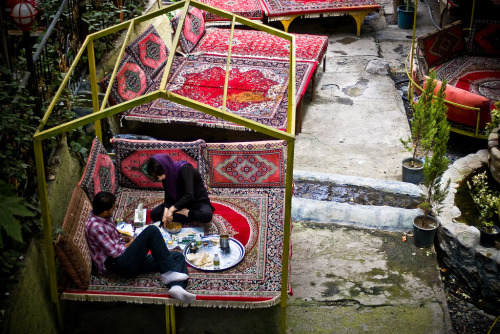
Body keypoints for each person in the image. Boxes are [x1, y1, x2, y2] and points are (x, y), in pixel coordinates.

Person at [85, 191, 196, 303]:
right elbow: (117, 252)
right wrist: (135, 242)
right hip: (119, 264)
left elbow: (113, 237)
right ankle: (168, 274)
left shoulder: (102, 217)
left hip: (125, 257)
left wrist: (127, 238)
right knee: (151, 231)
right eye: (113, 209)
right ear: (105, 212)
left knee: (177, 256)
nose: (114, 210)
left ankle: (176, 287)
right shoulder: (95, 228)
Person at [147, 154, 214, 227]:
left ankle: (186, 213)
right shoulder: (166, 175)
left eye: (159, 175)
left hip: (196, 201)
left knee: (206, 216)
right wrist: (166, 213)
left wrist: (172, 209)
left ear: (165, 168)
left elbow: (189, 195)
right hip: (179, 202)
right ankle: (191, 217)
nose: (159, 178)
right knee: (154, 214)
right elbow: (168, 197)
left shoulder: (185, 169)